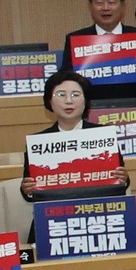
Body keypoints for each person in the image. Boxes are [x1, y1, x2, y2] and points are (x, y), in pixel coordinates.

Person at [19, 70, 127, 202]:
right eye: (61, 95)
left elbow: (120, 186)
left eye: (75, 95)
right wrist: (28, 190)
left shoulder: (103, 136)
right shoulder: (38, 142)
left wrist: (123, 179)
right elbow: (29, 193)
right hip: (55, 213)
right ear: (50, 101)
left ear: (86, 101)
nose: (68, 101)